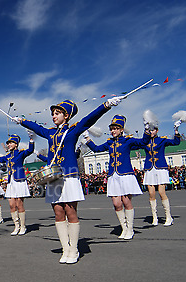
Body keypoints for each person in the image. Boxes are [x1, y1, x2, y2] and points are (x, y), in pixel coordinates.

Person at [15, 98, 122, 264]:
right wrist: (22, 121)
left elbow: (89, 118)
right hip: (53, 176)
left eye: (57, 113)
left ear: (66, 115)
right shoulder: (50, 133)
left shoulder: (73, 130)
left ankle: (74, 249)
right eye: (52, 114)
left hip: (70, 175)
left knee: (70, 212)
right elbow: (37, 128)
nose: (53, 116)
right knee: (58, 212)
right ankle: (65, 248)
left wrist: (106, 105)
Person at [85, 115, 151, 241]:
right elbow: (96, 149)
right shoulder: (109, 142)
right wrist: (87, 138)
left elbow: (143, 142)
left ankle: (130, 229)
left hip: (125, 174)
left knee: (126, 202)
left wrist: (147, 130)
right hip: (113, 176)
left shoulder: (128, 141)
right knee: (116, 204)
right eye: (112, 129)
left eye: (116, 128)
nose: (113, 131)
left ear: (121, 129)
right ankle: (124, 228)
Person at [137, 120, 181, 226]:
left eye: (153, 130)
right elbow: (134, 145)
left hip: (160, 167)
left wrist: (176, 131)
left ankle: (168, 217)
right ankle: (154, 217)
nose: (152, 132)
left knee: (162, 193)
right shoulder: (145, 141)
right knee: (151, 194)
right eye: (150, 130)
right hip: (149, 168)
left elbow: (176, 142)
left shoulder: (162, 140)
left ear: (157, 130)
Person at [0, 133, 34, 236]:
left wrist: (31, 139)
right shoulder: (8, 155)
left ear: (16, 144)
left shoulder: (20, 153)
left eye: (11, 143)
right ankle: (16, 226)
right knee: (11, 205)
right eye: (8, 143)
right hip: (11, 182)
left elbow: (30, 150)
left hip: (19, 180)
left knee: (19, 204)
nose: (9, 144)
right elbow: (0, 159)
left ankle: (23, 226)